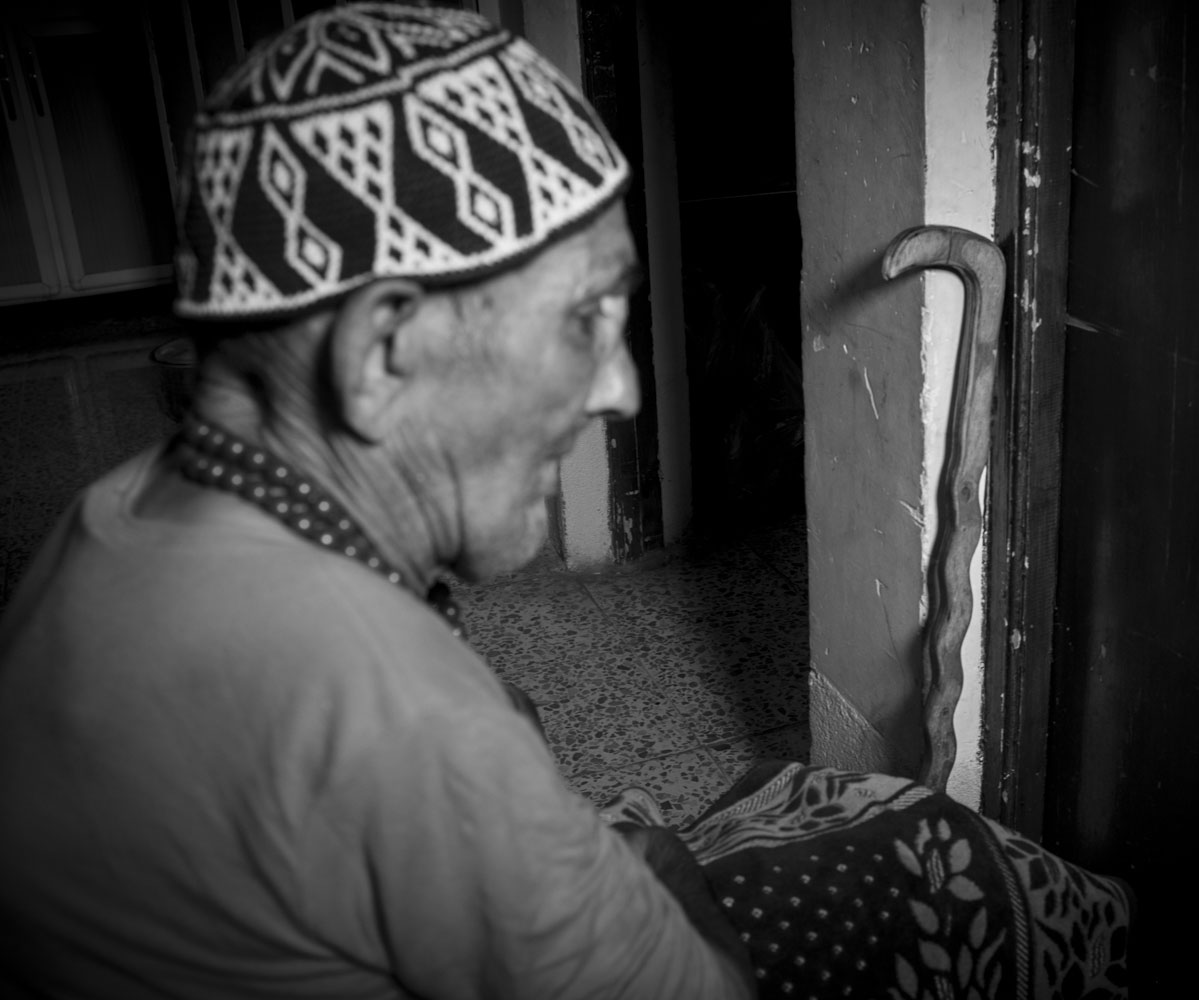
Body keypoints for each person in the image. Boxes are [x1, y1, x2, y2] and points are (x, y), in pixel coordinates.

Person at [0, 4, 754, 998]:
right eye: (587, 316)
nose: (623, 386)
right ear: (382, 352)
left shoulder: (109, 513)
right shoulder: (414, 725)